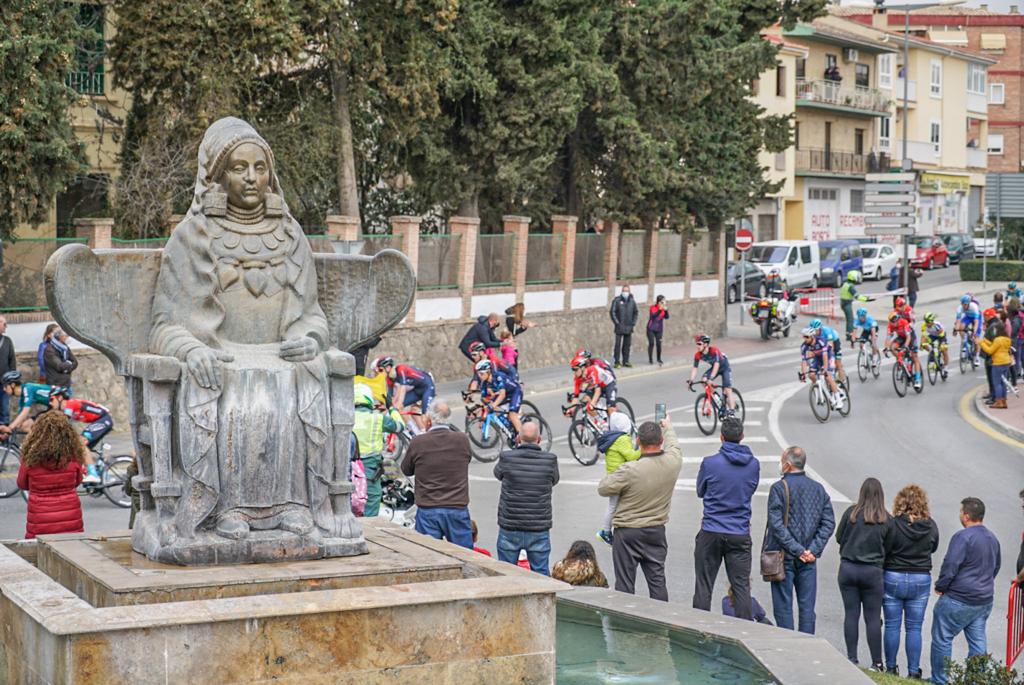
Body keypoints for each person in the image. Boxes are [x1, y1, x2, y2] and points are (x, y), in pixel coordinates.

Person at [597, 417, 682, 601]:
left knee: (625, 585)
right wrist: (668, 426)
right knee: (657, 582)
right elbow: (674, 445)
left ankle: (626, 626)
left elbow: (603, 488)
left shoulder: (629, 470)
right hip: (656, 531)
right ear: (661, 442)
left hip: (627, 533)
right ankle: (660, 622)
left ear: (638, 441)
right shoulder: (673, 462)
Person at [693, 416, 760, 620]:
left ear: (721, 437)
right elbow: (750, 489)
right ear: (742, 436)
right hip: (739, 531)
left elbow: (700, 491)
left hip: (712, 529)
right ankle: (744, 632)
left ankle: (699, 630)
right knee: (741, 587)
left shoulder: (710, 463)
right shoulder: (753, 465)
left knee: (704, 584)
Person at [929, 497, 1001, 685]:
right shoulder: (993, 538)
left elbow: (951, 565)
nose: (960, 515)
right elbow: (996, 566)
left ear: (966, 516)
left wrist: (941, 586)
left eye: (961, 512)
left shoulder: (963, 537)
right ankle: (975, 681)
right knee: (978, 642)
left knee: (942, 638)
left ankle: (940, 679)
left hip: (959, 598)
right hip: (983, 600)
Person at [764, 446, 835, 634]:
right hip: (809, 559)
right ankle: (807, 647)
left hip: (784, 556)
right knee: (807, 609)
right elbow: (828, 523)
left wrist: (797, 550)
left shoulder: (779, 488)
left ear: (787, 465)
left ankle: (787, 646)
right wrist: (812, 550)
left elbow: (776, 525)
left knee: (783, 607)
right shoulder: (818, 489)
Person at [882, 485, 940, 679]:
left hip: (894, 575)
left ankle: (891, 668)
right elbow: (933, 547)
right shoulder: (930, 525)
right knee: (914, 627)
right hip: (920, 577)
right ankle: (914, 671)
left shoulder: (893, 524)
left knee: (892, 625)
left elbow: (886, 547)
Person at [400, 399, 473, 549]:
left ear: (429, 420)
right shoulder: (462, 440)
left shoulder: (418, 442)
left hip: (429, 508)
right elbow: (466, 459)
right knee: (465, 556)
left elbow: (406, 469)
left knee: (429, 555)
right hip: (457, 507)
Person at [835, 478, 890, 671]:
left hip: (848, 568)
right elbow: (889, 548)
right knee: (873, 618)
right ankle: (877, 662)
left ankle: (852, 657)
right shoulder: (885, 519)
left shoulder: (851, 514)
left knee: (851, 614)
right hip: (872, 571)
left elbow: (838, 537)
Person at [493, 420, 559, 575]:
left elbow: (498, 474)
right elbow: (554, 480)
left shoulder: (506, 457)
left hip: (510, 525)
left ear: (518, 438)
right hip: (538, 527)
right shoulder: (550, 460)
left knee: (505, 573)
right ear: (539, 439)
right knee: (541, 573)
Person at [16, 410, 85, 539]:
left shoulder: (30, 459)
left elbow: (21, 483)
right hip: (70, 518)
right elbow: (77, 481)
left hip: (40, 519)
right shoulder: (73, 456)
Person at [352, 384, 400, 517]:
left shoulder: (344, 416)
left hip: (348, 469)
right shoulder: (378, 418)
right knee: (371, 501)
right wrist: (392, 409)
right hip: (370, 469)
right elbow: (399, 426)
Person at [596, 411, 640, 546]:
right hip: (620, 477)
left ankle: (608, 531)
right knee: (615, 506)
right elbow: (631, 456)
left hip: (612, 476)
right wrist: (642, 449)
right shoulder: (622, 439)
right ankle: (606, 532)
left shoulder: (612, 438)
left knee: (613, 505)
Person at [371, 356, 434, 431]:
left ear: (388, 367)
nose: (379, 374)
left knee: (423, 414)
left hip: (427, 387)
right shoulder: (389, 378)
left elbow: (402, 388)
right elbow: (389, 397)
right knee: (402, 409)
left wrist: (397, 404)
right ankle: (415, 431)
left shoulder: (401, 368)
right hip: (416, 390)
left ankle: (430, 432)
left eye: (380, 370)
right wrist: (383, 405)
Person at [799, 325, 844, 409]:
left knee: (828, 377)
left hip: (828, 355)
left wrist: (825, 369)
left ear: (812, 336)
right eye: (803, 337)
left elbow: (825, 357)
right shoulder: (804, 346)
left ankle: (839, 401)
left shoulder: (821, 341)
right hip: (817, 358)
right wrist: (803, 374)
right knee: (811, 375)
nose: (805, 339)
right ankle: (817, 387)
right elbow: (804, 361)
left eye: (807, 337)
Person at [688, 334, 736, 412]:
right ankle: (717, 398)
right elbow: (695, 368)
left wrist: (711, 378)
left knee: (727, 389)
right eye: (696, 344)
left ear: (706, 344)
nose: (697, 346)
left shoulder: (714, 350)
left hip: (724, 367)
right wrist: (691, 380)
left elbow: (717, 364)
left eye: (699, 344)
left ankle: (732, 411)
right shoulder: (698, 355)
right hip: (715, 367)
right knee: (704, 380)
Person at [475, 359, 523, 435]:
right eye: (478, 374)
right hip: (505, 393)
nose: (479, 376)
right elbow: (484, 399)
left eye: (481, 373)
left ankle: (522, 439)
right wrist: (482, 417)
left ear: (488, 371)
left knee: (512, 415)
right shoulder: (484, 383)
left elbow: (502, 394)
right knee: (491, 406)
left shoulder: (498, 377)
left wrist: (493, 405)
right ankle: (509, 424)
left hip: (515, 392)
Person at [979, 318, 1012, 409]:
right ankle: (1004, 401)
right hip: (1006, 362)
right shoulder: (1007, 339)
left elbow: (990, 351)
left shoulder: (998, 340)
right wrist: (985, 340)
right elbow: (994, 345)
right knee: (1003, 382)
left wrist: (981, 343)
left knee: (997, 383)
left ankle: (998, 402)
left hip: (998, 362)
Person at [886, 312, 922, 390]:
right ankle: (901, 363)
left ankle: (918, 380)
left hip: (910, 337)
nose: (893, 324)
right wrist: (886, 348)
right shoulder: (890, 325)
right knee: (892, 347)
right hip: (901, 337)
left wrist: (905, 346)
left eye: (894, 322)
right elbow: (888, 338)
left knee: (914, 356)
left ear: (898, 320)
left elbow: (908, 337)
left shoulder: (904, 322)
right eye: (891, 322)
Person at [609, 285, 638, 368]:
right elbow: (612, 312)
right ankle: (617, 362)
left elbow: (636, 312)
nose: (625, 292)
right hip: (619, 327)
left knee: (627, 345)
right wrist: (617, 323)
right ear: (622, 291)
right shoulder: (617, 300)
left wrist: (633, 323)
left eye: (627, 291)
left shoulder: (632, 301)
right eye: (624, 290)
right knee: (617, 345)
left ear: (629, 292)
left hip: (629, 327)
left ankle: (626, 361)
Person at [839, 270, 871, 337]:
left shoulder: (846, 284)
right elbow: (857, 296)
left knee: (849, 319)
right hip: (846, 304)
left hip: (843, 303)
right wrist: (866, 299)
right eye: (857, 276)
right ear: (853, 277)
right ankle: (850, 335)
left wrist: (865, 297)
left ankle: (848, 334)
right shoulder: (850, 286)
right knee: (850, 320)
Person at [920, 313, 949, 381]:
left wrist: (942, 344)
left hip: (941, 336)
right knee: (923, 343)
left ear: (932, 321)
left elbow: (942, 336)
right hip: (932, 336)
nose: (926, 323)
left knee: (944, 349)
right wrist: (921, 344)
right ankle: (931, 352)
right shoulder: (924, 326)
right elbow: (923, 336)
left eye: (928, 322)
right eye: (925, 321)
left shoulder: (937, 325)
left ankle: (946, 369)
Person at [646, 295, 669, 366]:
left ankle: (659, 358)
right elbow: (653, 316)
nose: (663, 303)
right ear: (659, 302)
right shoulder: (653, 307)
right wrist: (660, 309)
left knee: (659, 344)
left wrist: (666, 311)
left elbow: (667, 317)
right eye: (662, 301)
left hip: (659, 329)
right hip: (651, 328)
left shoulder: (663, 309)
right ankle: (650, 359)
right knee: (652, 343)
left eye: (664, 301)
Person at [0, 315, 15, 426]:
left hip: (4, 384)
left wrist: (12, 381)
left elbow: (12, 362)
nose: (6, 326)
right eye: (4, 324)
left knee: (4, 411)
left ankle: (4, 441)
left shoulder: (7, 341)